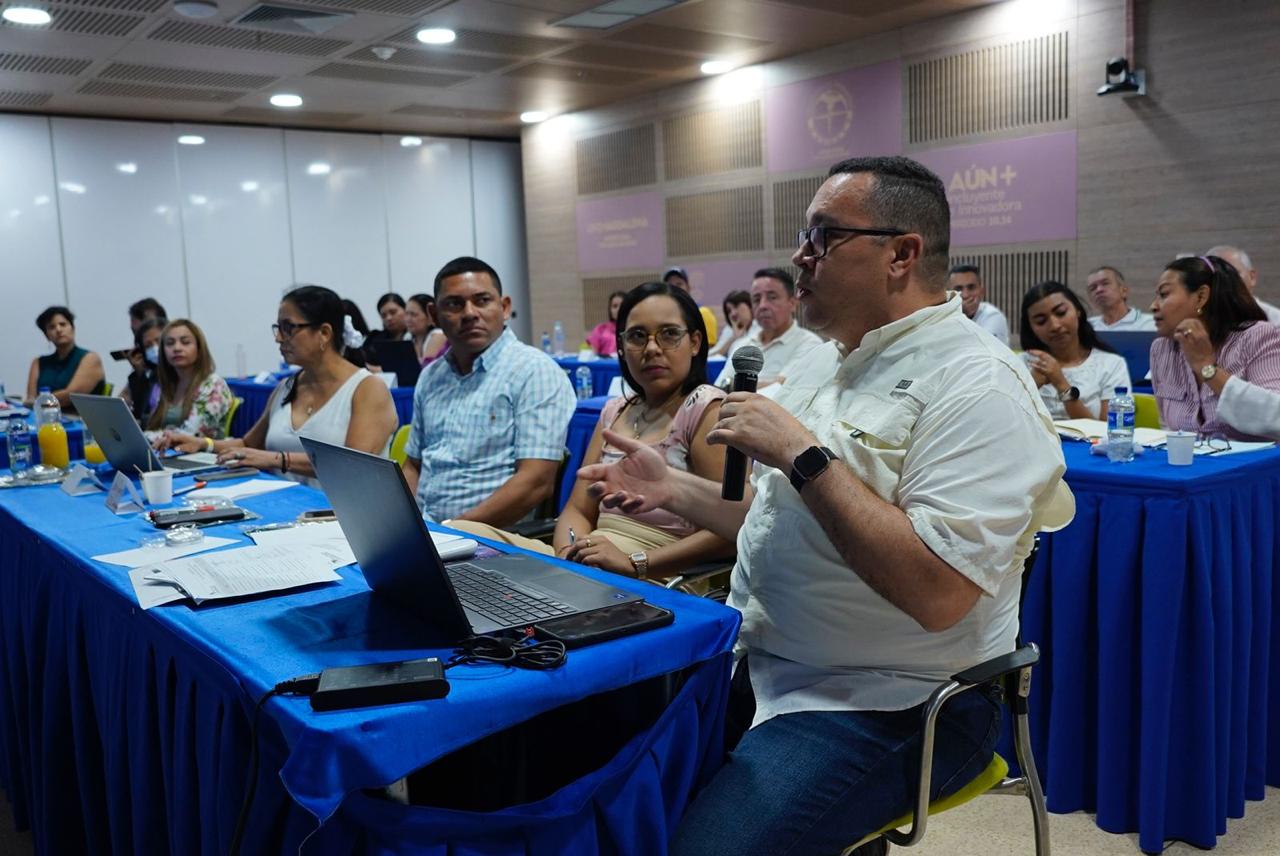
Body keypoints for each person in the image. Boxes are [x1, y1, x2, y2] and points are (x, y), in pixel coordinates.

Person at [579, 155, 1072, 856]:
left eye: (823, 238)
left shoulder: (979, 386)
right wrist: (676, 489)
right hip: (760, 660)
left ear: (901, 253)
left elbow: (938, 594)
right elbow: (779, 520)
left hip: (891, 700)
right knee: (604, 793)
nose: (799, 257)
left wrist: (805, 456)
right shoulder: (827, 360)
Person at [452, 282, 736, 579]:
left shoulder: (706, 408)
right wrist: (567, 559)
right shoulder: (615, 411)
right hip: (589, 564)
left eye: (669, 334)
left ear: (694, 342)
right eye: (638, 336)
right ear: (623, 349)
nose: (652, 348)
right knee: (459, 535)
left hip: (659, 576)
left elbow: (730, 529)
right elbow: (577, 510)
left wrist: (635, 562)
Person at [158, 285, 397, 485]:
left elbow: (352, 466)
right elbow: (248, 445)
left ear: (324, 333)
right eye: (278, 328)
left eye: (288, 328)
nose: (278, 338)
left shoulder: (367, 389)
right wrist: (203, 444)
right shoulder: (286, 387)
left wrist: (276, 460)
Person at [403, 257, 576, 525]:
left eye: (482, 300)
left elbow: (536, 482)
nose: (470, 313)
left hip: (489, 543)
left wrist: (454, 532)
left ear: (504, 307)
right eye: (454, 304)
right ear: (435, 315)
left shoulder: (533, 371)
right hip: (425, 534)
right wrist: (401, 523)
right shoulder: (431, 377)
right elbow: (413, 465)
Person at [1149, 255, 1280, 440]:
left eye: (1164, 294)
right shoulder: (1161, 349)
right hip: (1190, 466)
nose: (1153, 306)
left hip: (1249, 466)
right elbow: (1167, 426)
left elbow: (1276, 419)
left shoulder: (1258, 336)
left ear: (1201, 296)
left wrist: (1205, 366)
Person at [1020, 281, 1130, 421]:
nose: (1055, 325)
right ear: (1031, 328)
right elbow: (1004, 422)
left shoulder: (1111, 365)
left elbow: (1108, 432)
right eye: (1041, 321)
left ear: (1078, 311)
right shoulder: (1021, 365)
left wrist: (1062, 385)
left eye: (1061, 313)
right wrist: (1030, 385)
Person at [717, 268, 823, 389]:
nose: (763, 306)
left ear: (793, 304)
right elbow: (720, 386)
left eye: (772, 297)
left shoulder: (810, 344)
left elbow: (784, 388)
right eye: (757, 299)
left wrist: (732, 385)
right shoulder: (742, 345)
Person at [145, 319, 233, 440]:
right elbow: (154, 427)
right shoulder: (167, 385)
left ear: (199, 348)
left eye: (185, 342)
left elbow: (192, 435)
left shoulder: (212, 384)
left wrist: (144, 437)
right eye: (170, 343)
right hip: (166, 454)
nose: (176, 348)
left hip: (202, 456)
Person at [26, 306, 105, 410]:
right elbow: (30, 399)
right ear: (46, 335)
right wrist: (35, 403)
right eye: (52, 327)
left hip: (81, 421)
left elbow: (71, 396)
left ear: (73, 328)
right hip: (46, 420)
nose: (58, 330)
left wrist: (39, 402)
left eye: (63, 324)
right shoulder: (38, 362)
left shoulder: (90, 358)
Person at [1207, 245, 1280, 324]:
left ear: (1252, 277)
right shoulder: (1197, 320)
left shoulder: (1275, 321)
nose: (1224, 281)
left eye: (1232, 273)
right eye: (1216, 275)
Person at [948, 264, 1009, 344]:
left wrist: (962, 314)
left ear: (982, 291)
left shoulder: (993, 316)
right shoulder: (944, 317)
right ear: (949, 294)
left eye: (971, 287)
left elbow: (981, 351)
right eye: (958, 289)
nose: (965, 295)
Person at [121, 316, 165, 423]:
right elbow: (140, 414)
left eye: (158, 341)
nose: (154, 348)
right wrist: (139, 374)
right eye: (148, 345)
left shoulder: (182, 374)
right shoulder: (150, 377)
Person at [1084, 266, 1155, 331]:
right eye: (1093, 288)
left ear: (1124, 291)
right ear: (1090, 299)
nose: (1099, 290)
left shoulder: (1150, 324)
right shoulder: (1086, 327)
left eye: (1105, 283)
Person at [663, 267, 719, 345]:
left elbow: (709, 350)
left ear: (688, 287)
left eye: (679, 284)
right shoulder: (662, 317)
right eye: (670, 285)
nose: (674, 289)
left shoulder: (703, 313)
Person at [710, 290, 755, 358]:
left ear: (750, 306)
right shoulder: (729, 330)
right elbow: (710, 356)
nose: (733, 313)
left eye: (736, 306)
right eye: (729, 311)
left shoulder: (763, 328)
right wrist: (734, 338)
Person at [406, 293, 448, 364]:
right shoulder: (408, 337)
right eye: (406, 314)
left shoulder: (438, 335)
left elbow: (426, 367)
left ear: (430, 316)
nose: (408, 319)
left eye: (414, 314)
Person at [586, 290, 627, 358]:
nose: (618, 309)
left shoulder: (633, 329)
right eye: (615, 306)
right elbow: (592, 356)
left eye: (622, 305)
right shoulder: (600, 329)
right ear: (610, 310)